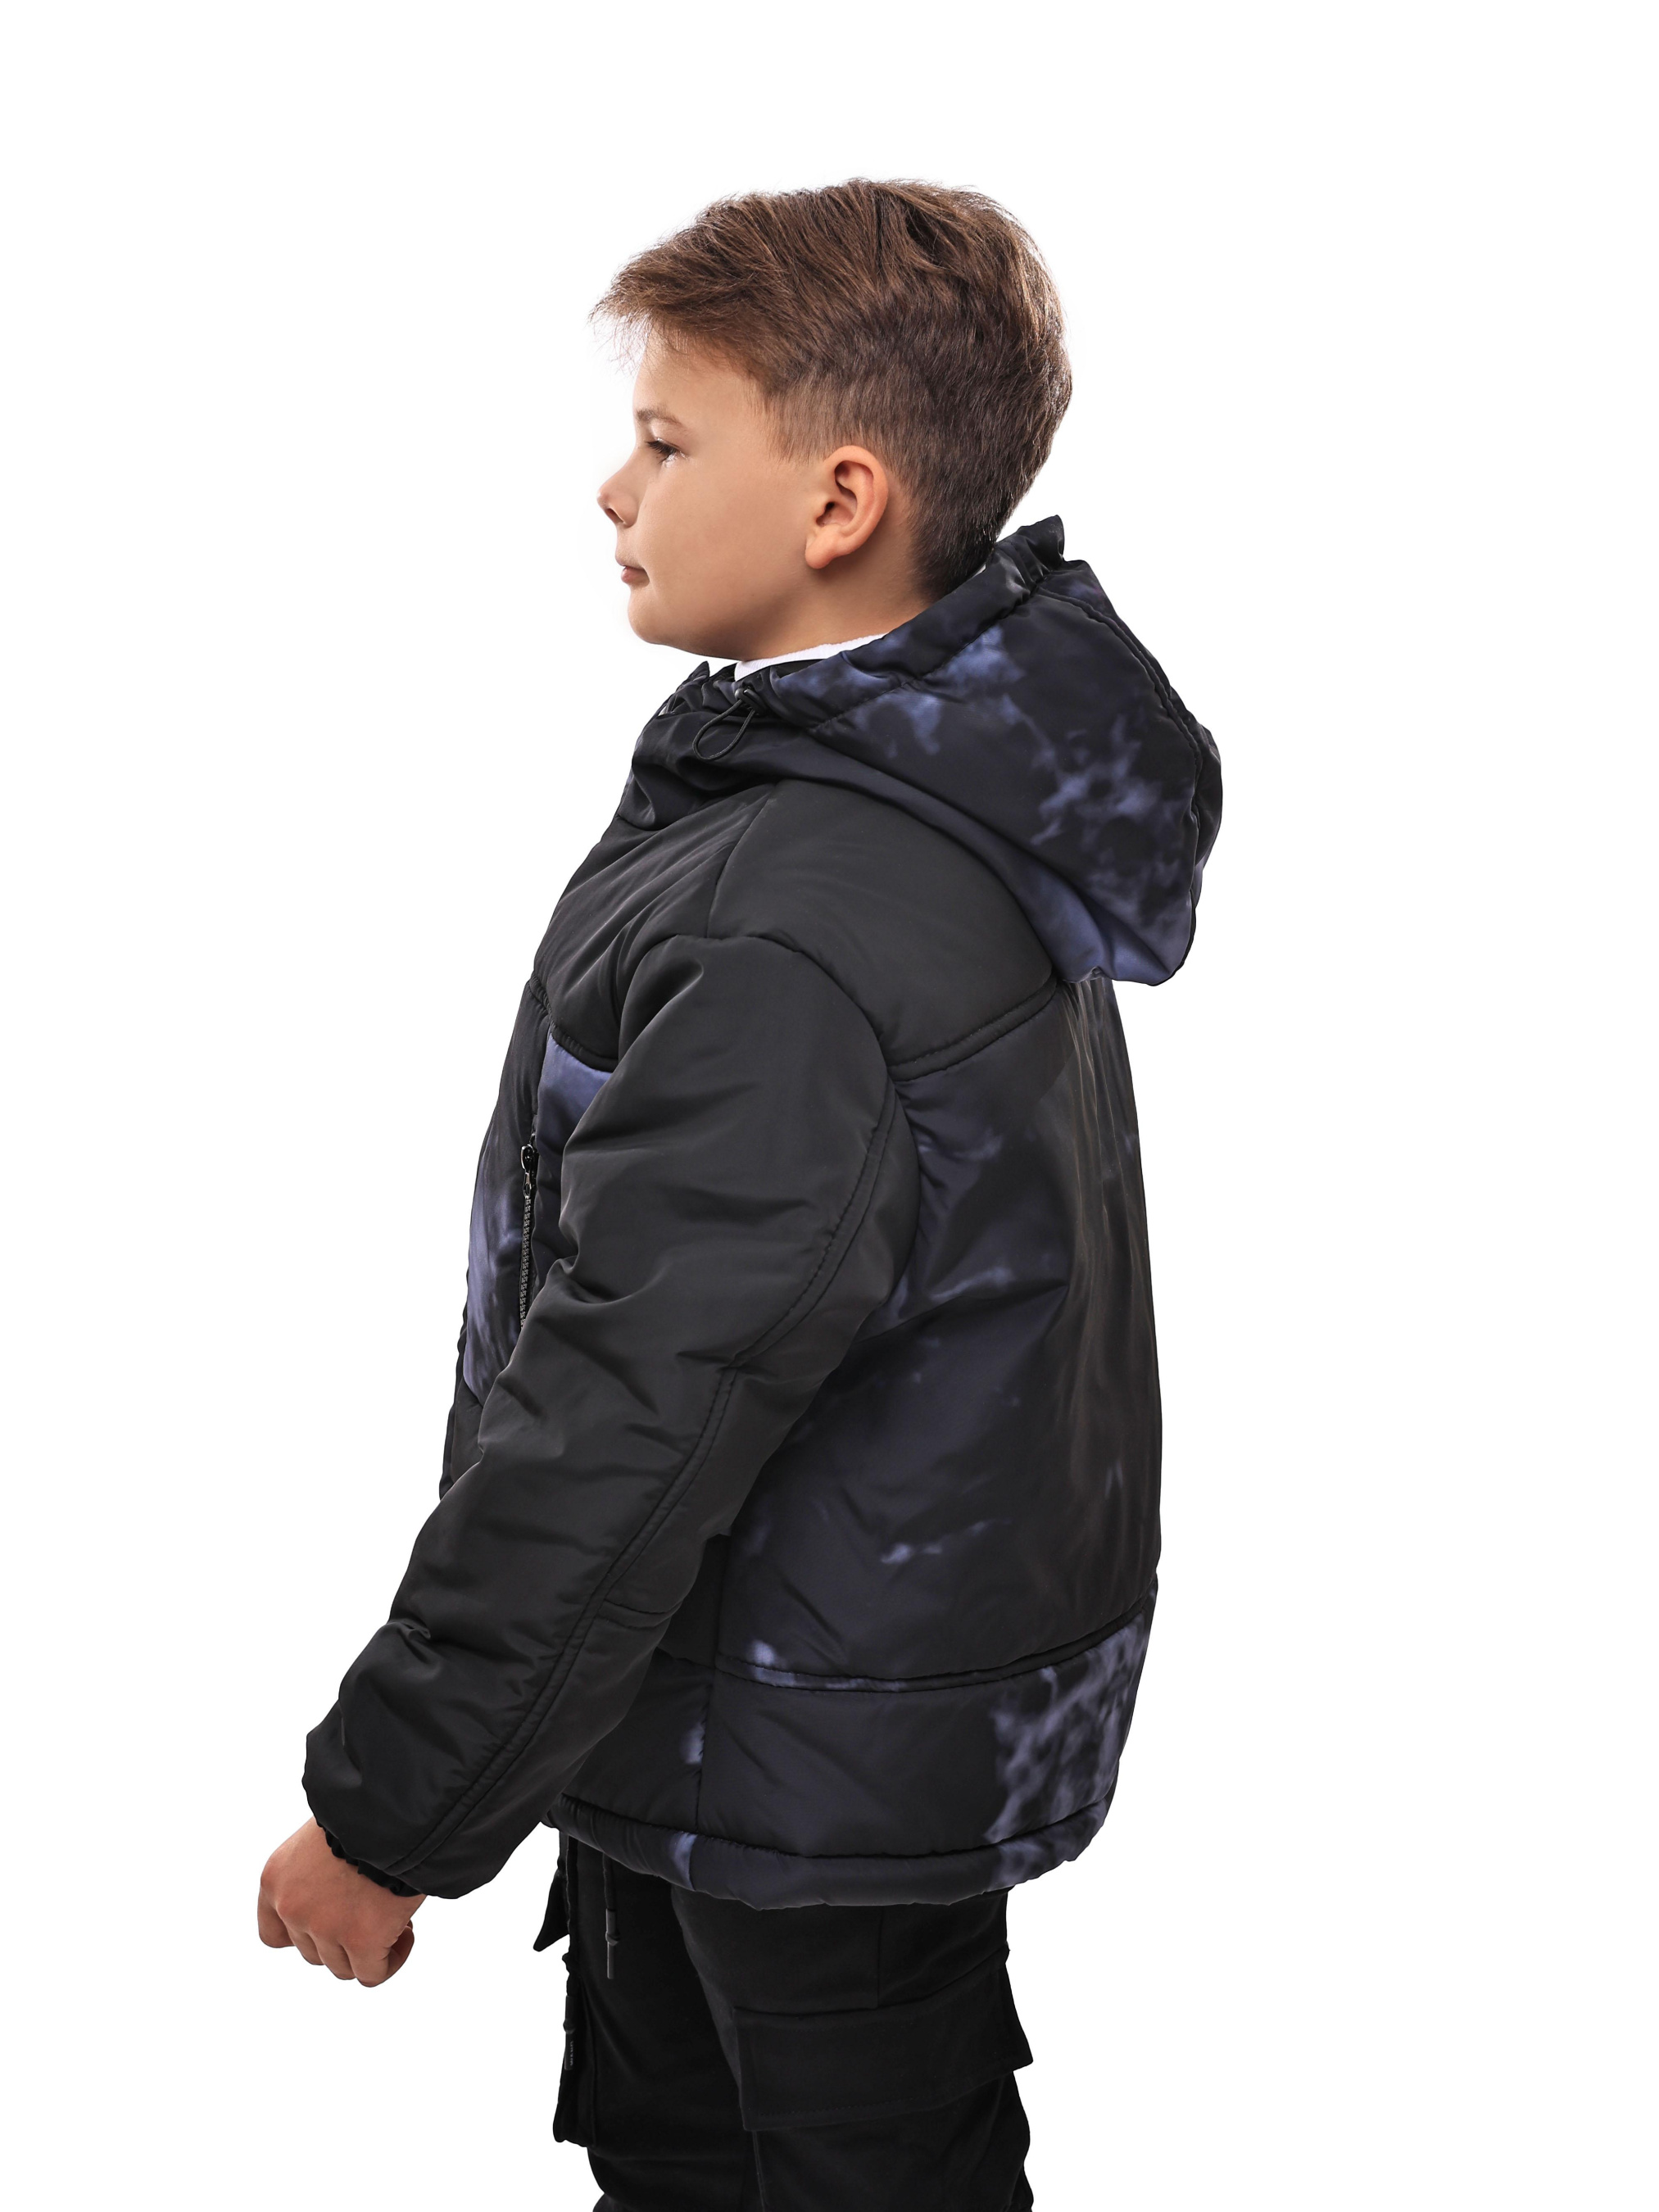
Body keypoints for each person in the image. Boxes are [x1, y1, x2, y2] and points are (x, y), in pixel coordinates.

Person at [258, 179, 1222, 2212]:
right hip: (787, 1745)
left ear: (838, 500)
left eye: (667, 441)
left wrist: (389, 1812)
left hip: (782, 1799)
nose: (613, 490)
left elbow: (631, 1410)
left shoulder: (802, 913)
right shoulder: (912, 802)